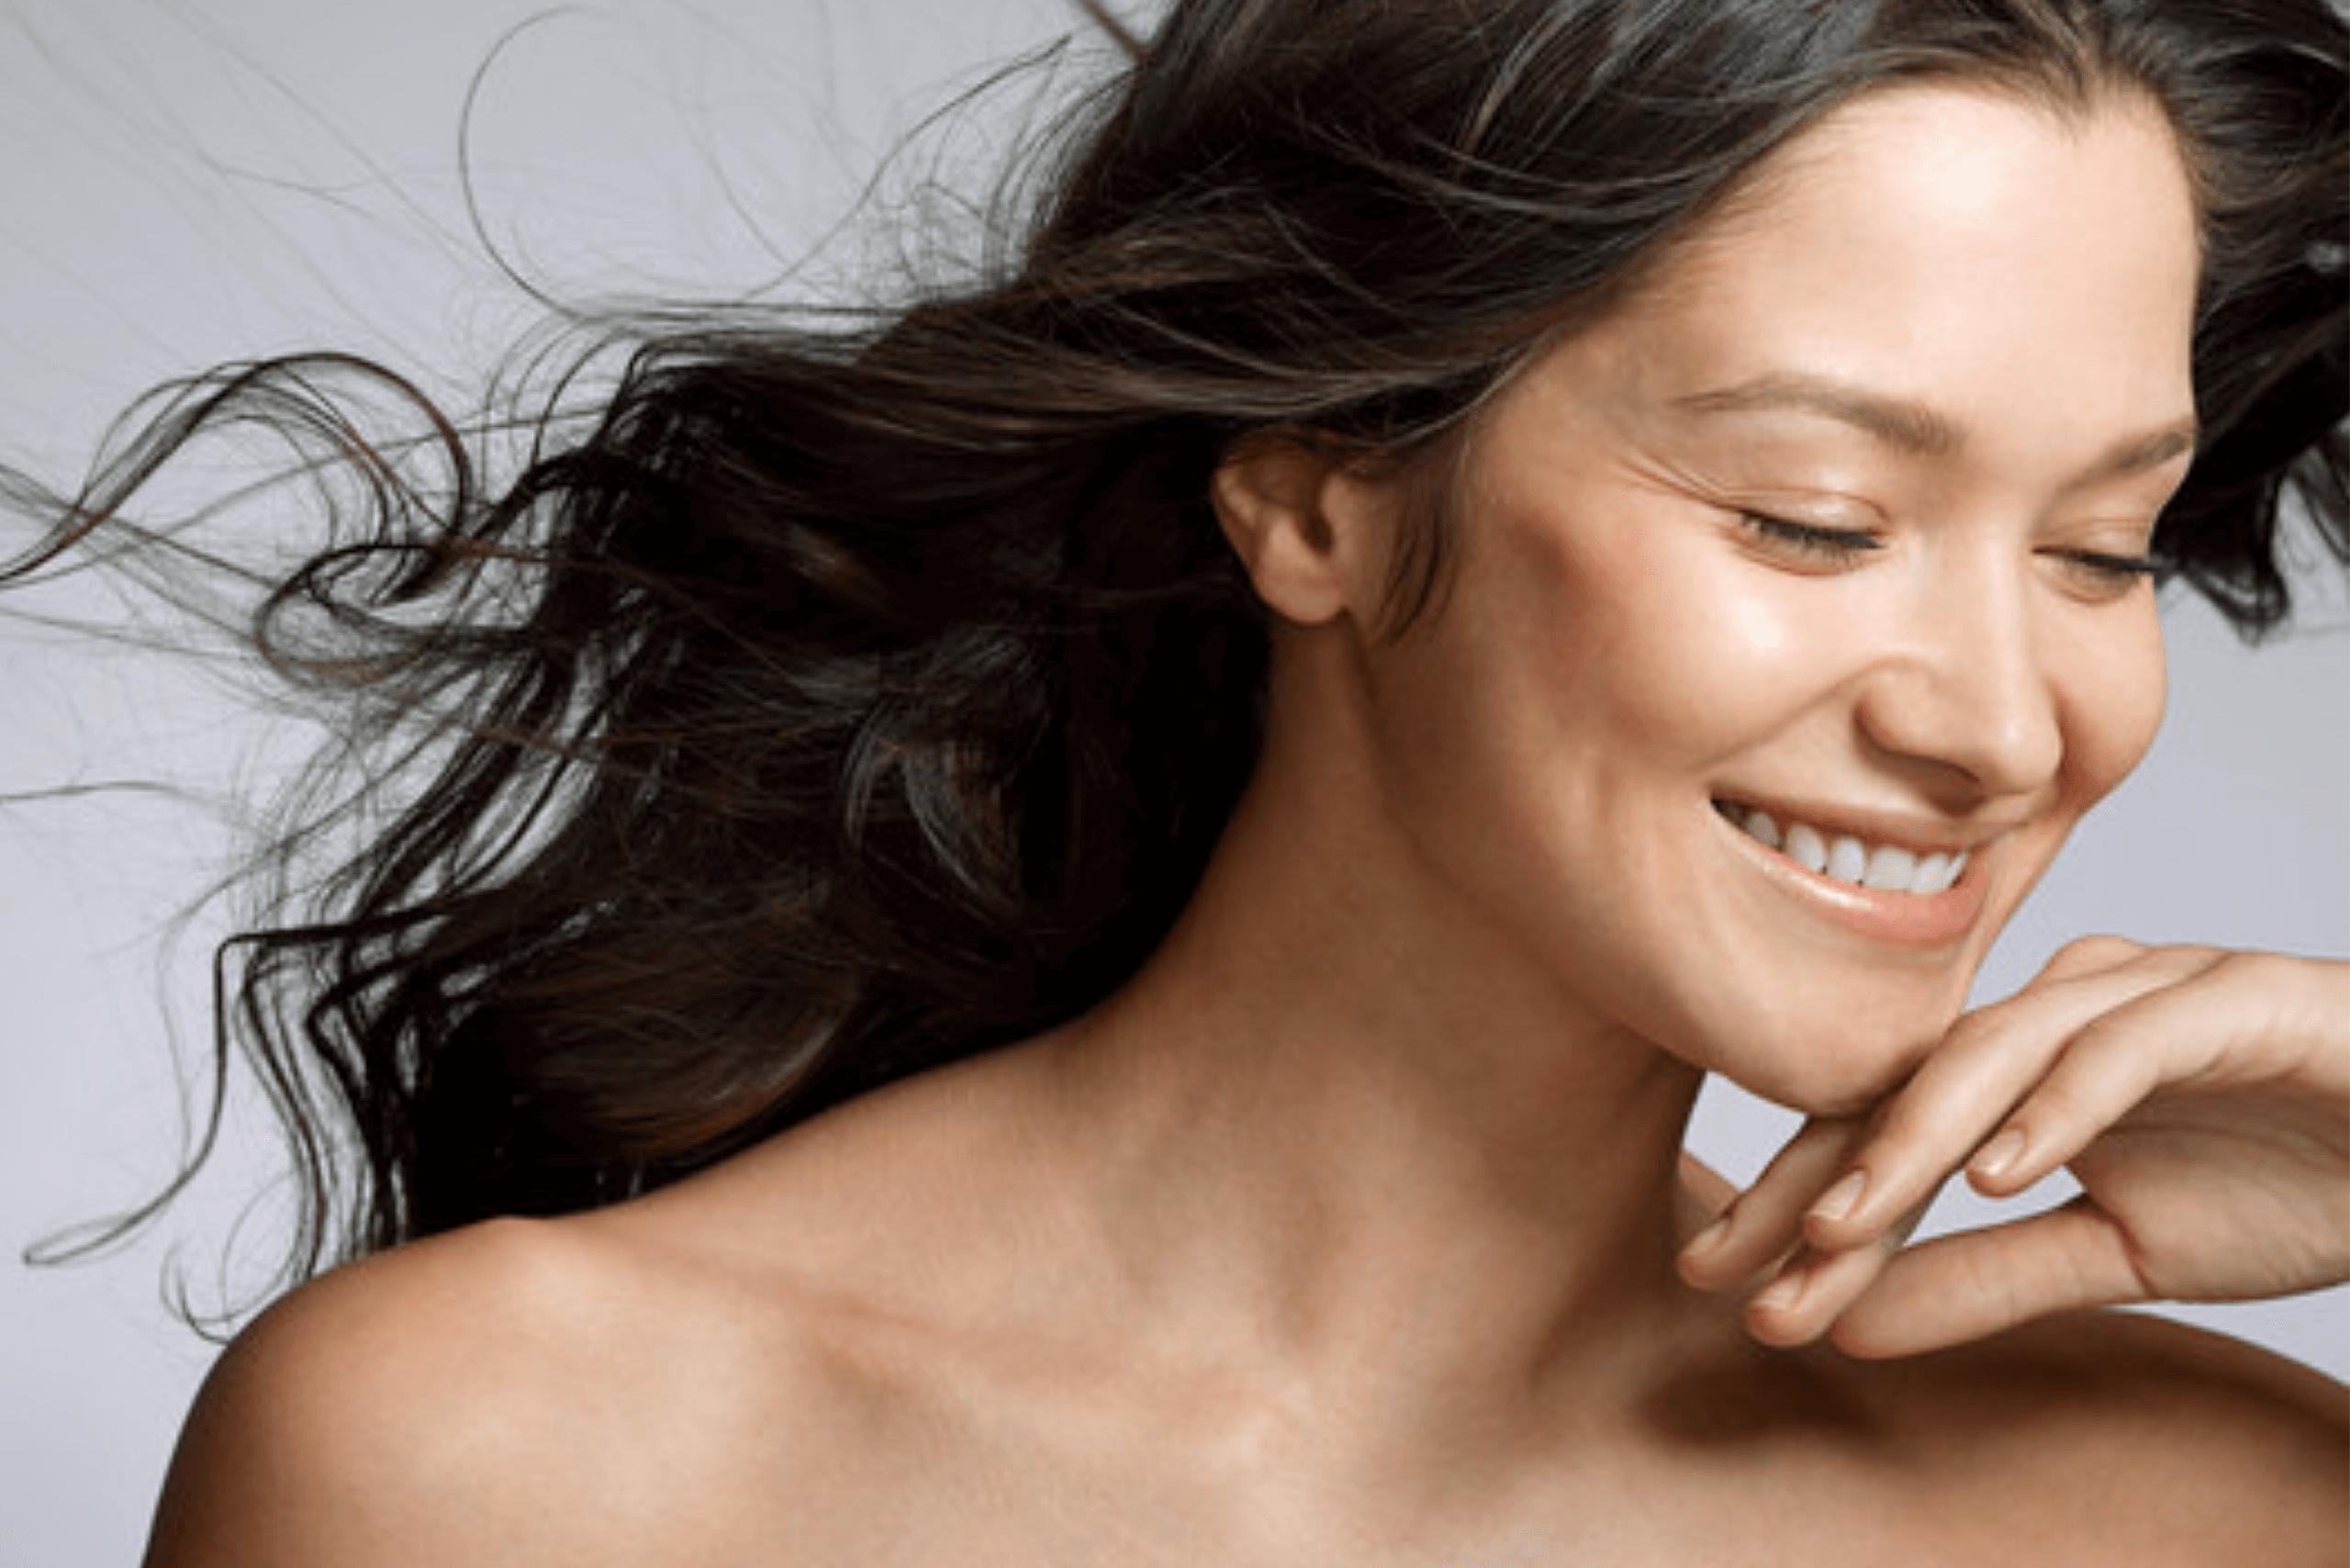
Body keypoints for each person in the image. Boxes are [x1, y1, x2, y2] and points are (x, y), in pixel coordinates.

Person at [7, 0, 2344, 1561]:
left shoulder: (2189, 1511)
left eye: (2090, 550)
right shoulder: (500, 1464)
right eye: (1809, 518)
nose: (1998, 720)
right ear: (1315, 494)